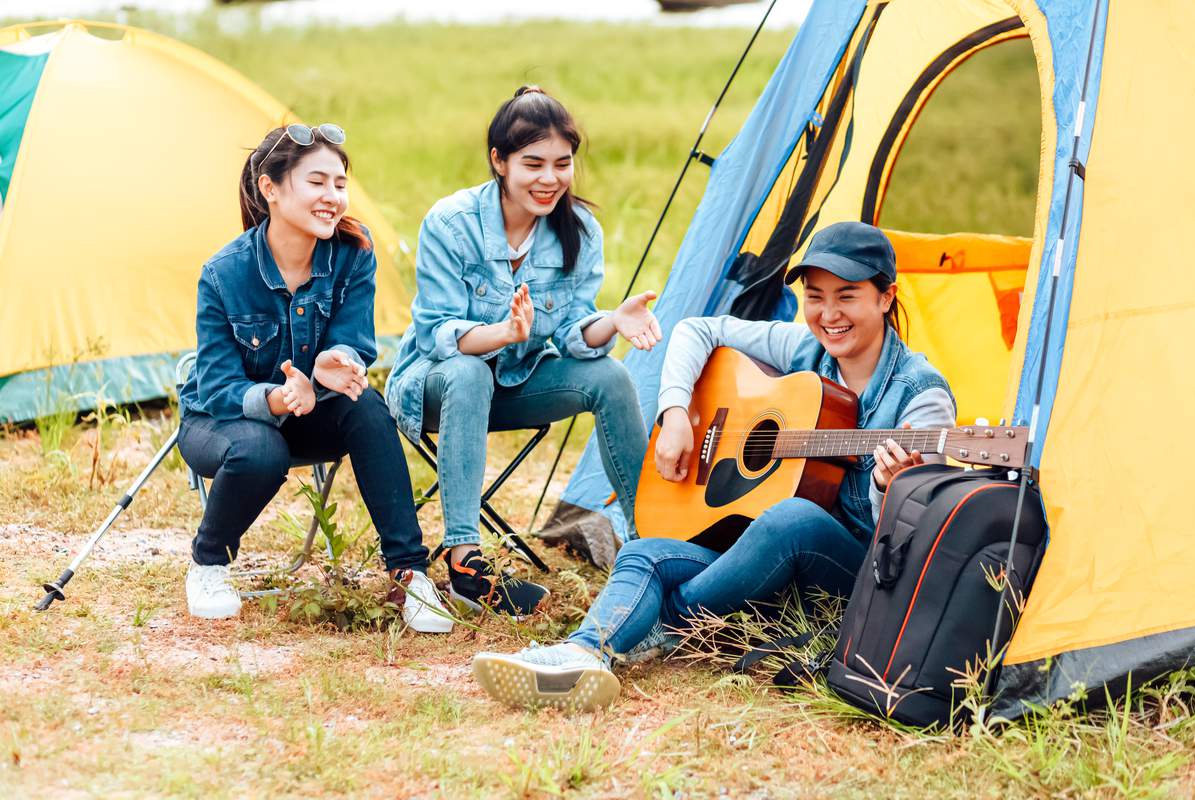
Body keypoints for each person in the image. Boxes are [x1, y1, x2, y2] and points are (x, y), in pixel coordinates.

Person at [472, 221, 957, 710]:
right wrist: (677, 412)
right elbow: (697, 329)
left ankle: (664, 621)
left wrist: (889, 489)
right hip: (763, 565)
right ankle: (582, 653)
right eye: (815, 296)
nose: (828, 314)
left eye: (847, 297)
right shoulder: (806, 349)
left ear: (886, 297)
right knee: (645, 554)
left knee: (794, 518)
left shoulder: (922, 397)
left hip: (850, 581)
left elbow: (910, 549)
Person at [385, 86, 661, 620]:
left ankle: (649, 542)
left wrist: (613, 320)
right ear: (499, 161)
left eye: (562, 163)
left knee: (610, 377)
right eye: (532, 163)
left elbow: (573, 331)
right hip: (434, 386)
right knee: (468, 373)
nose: (549, 179)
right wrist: (505, 334)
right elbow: (437, 334)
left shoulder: (578, 230)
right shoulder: (450, 223)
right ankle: (466, 560)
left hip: (512, 384)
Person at [177, 123, 449, 632]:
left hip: (312, 406)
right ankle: (209, 562)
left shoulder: (352, 252)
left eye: (340, 184)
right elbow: (216, 387)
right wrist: (280, 398)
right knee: (261, 449)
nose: (333, 197)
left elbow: (354, 339)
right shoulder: (224, 274)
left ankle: (410, 574)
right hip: (222, 420)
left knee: (368, 407)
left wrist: (334, 363)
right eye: (317, 182)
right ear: (271, 189)